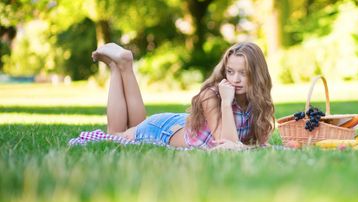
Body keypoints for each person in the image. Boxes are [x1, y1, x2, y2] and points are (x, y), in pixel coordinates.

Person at [91, 42, 275, 149]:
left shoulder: (256, 99)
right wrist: (226, 103)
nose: (235, 79)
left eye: (243, 73)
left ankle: (124, 64)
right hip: (162, 130)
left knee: (134, 124)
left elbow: (256, 144)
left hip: (181, 124)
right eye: (230, 71)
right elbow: (228, 145)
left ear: (257, 74)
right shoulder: (212, 96)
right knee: (116, 134)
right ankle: (116, 67)